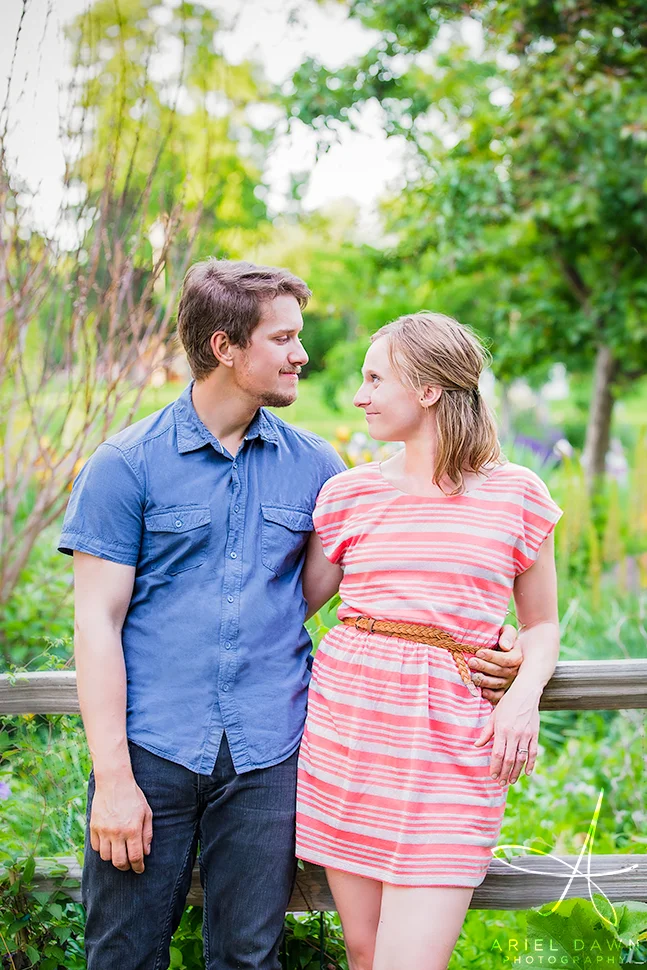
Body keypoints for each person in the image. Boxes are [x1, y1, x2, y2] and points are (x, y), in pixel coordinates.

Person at [59, 262, 522, 970]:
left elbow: (372, 579)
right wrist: (114, 779)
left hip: (268, 755)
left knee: (250, 956)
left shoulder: (318, 470)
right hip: (152, 749)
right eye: (283, 337)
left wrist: (499, 638)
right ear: (225, 347)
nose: (301, 354)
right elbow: (95, 626)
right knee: (122, 954)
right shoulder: (127, 464)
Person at [296, 311, 562, 970]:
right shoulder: (348, 495)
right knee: (362, 952)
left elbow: (542, 624)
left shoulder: (516, 495)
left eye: (374, 378)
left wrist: (521, 695)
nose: (359, 396)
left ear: (428, 389)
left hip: (451, 748)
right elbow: (289, 609)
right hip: (349, 739)